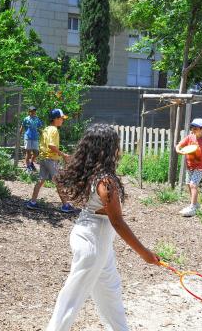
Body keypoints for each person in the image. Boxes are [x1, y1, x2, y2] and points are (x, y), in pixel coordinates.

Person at [46, 124, 159, 331]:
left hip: (95, 239)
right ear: (109, 148)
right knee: (72, 298)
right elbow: (117, 221)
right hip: (93, 243)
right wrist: (144, 253)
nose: (120, 149)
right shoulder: (105, 181)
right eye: (117, 144)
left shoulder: (92, 171)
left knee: (110, 292)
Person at [26, 109, 76, 213]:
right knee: (59, 182)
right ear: (56, 119)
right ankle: (66, 205)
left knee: (41, 180)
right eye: (61, 118)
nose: (62, 120)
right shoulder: (54, 130)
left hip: (43, 158)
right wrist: (63, 155)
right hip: (51, 160)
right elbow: (51, 145)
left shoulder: (46, 129)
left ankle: (32, 202)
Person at [175, 118, 202, 217]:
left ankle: (192, 207)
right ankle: (195, 204)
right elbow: (179, 145)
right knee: (188, 184)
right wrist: (178, 150)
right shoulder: (189, 137)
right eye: (192, 127)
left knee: (193, 184)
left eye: (196, 127)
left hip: (200, 167)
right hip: (190, 166)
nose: (193, 129)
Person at [19, 106, 44, 173]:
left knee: (36, 153)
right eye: (32, 111)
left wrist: (43, 135)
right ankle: (28, 167)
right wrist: (19, 134)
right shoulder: (26, 119)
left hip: (35, 138)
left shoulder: (37, 119)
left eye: (34, 111)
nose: (33, 112)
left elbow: (40, 128)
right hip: (28, 137)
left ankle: (31, 163)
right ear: (29, 112)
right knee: (28, 153)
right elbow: (22, 127)